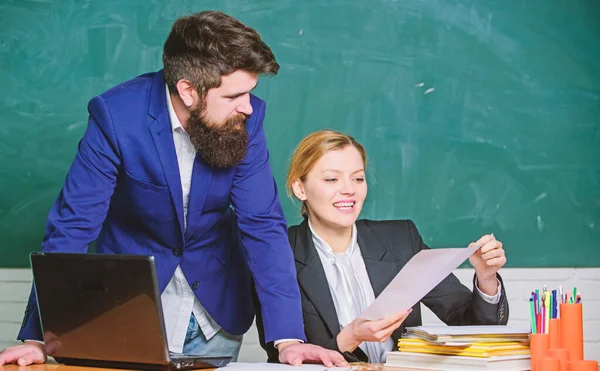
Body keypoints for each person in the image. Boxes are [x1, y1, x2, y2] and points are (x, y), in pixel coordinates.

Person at [0, 12, 347, 368]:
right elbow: (73, 225)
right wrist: (40, 335)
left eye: (250, 92)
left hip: (214, 312)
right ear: (188, 90)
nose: (248, 106)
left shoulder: (247, 117)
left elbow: (261, 224)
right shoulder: (116, 116)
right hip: (128, 312)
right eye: (234, 95)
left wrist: (289, 339)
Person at [257, 130, 509, 363]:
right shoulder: (277, 254)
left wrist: (486, 278)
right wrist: (351, 336)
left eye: (358, 178)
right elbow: (286, 359)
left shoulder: (400, 240)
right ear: (300, 188)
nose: (348, 190)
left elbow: (473, 325)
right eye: (332, 179)